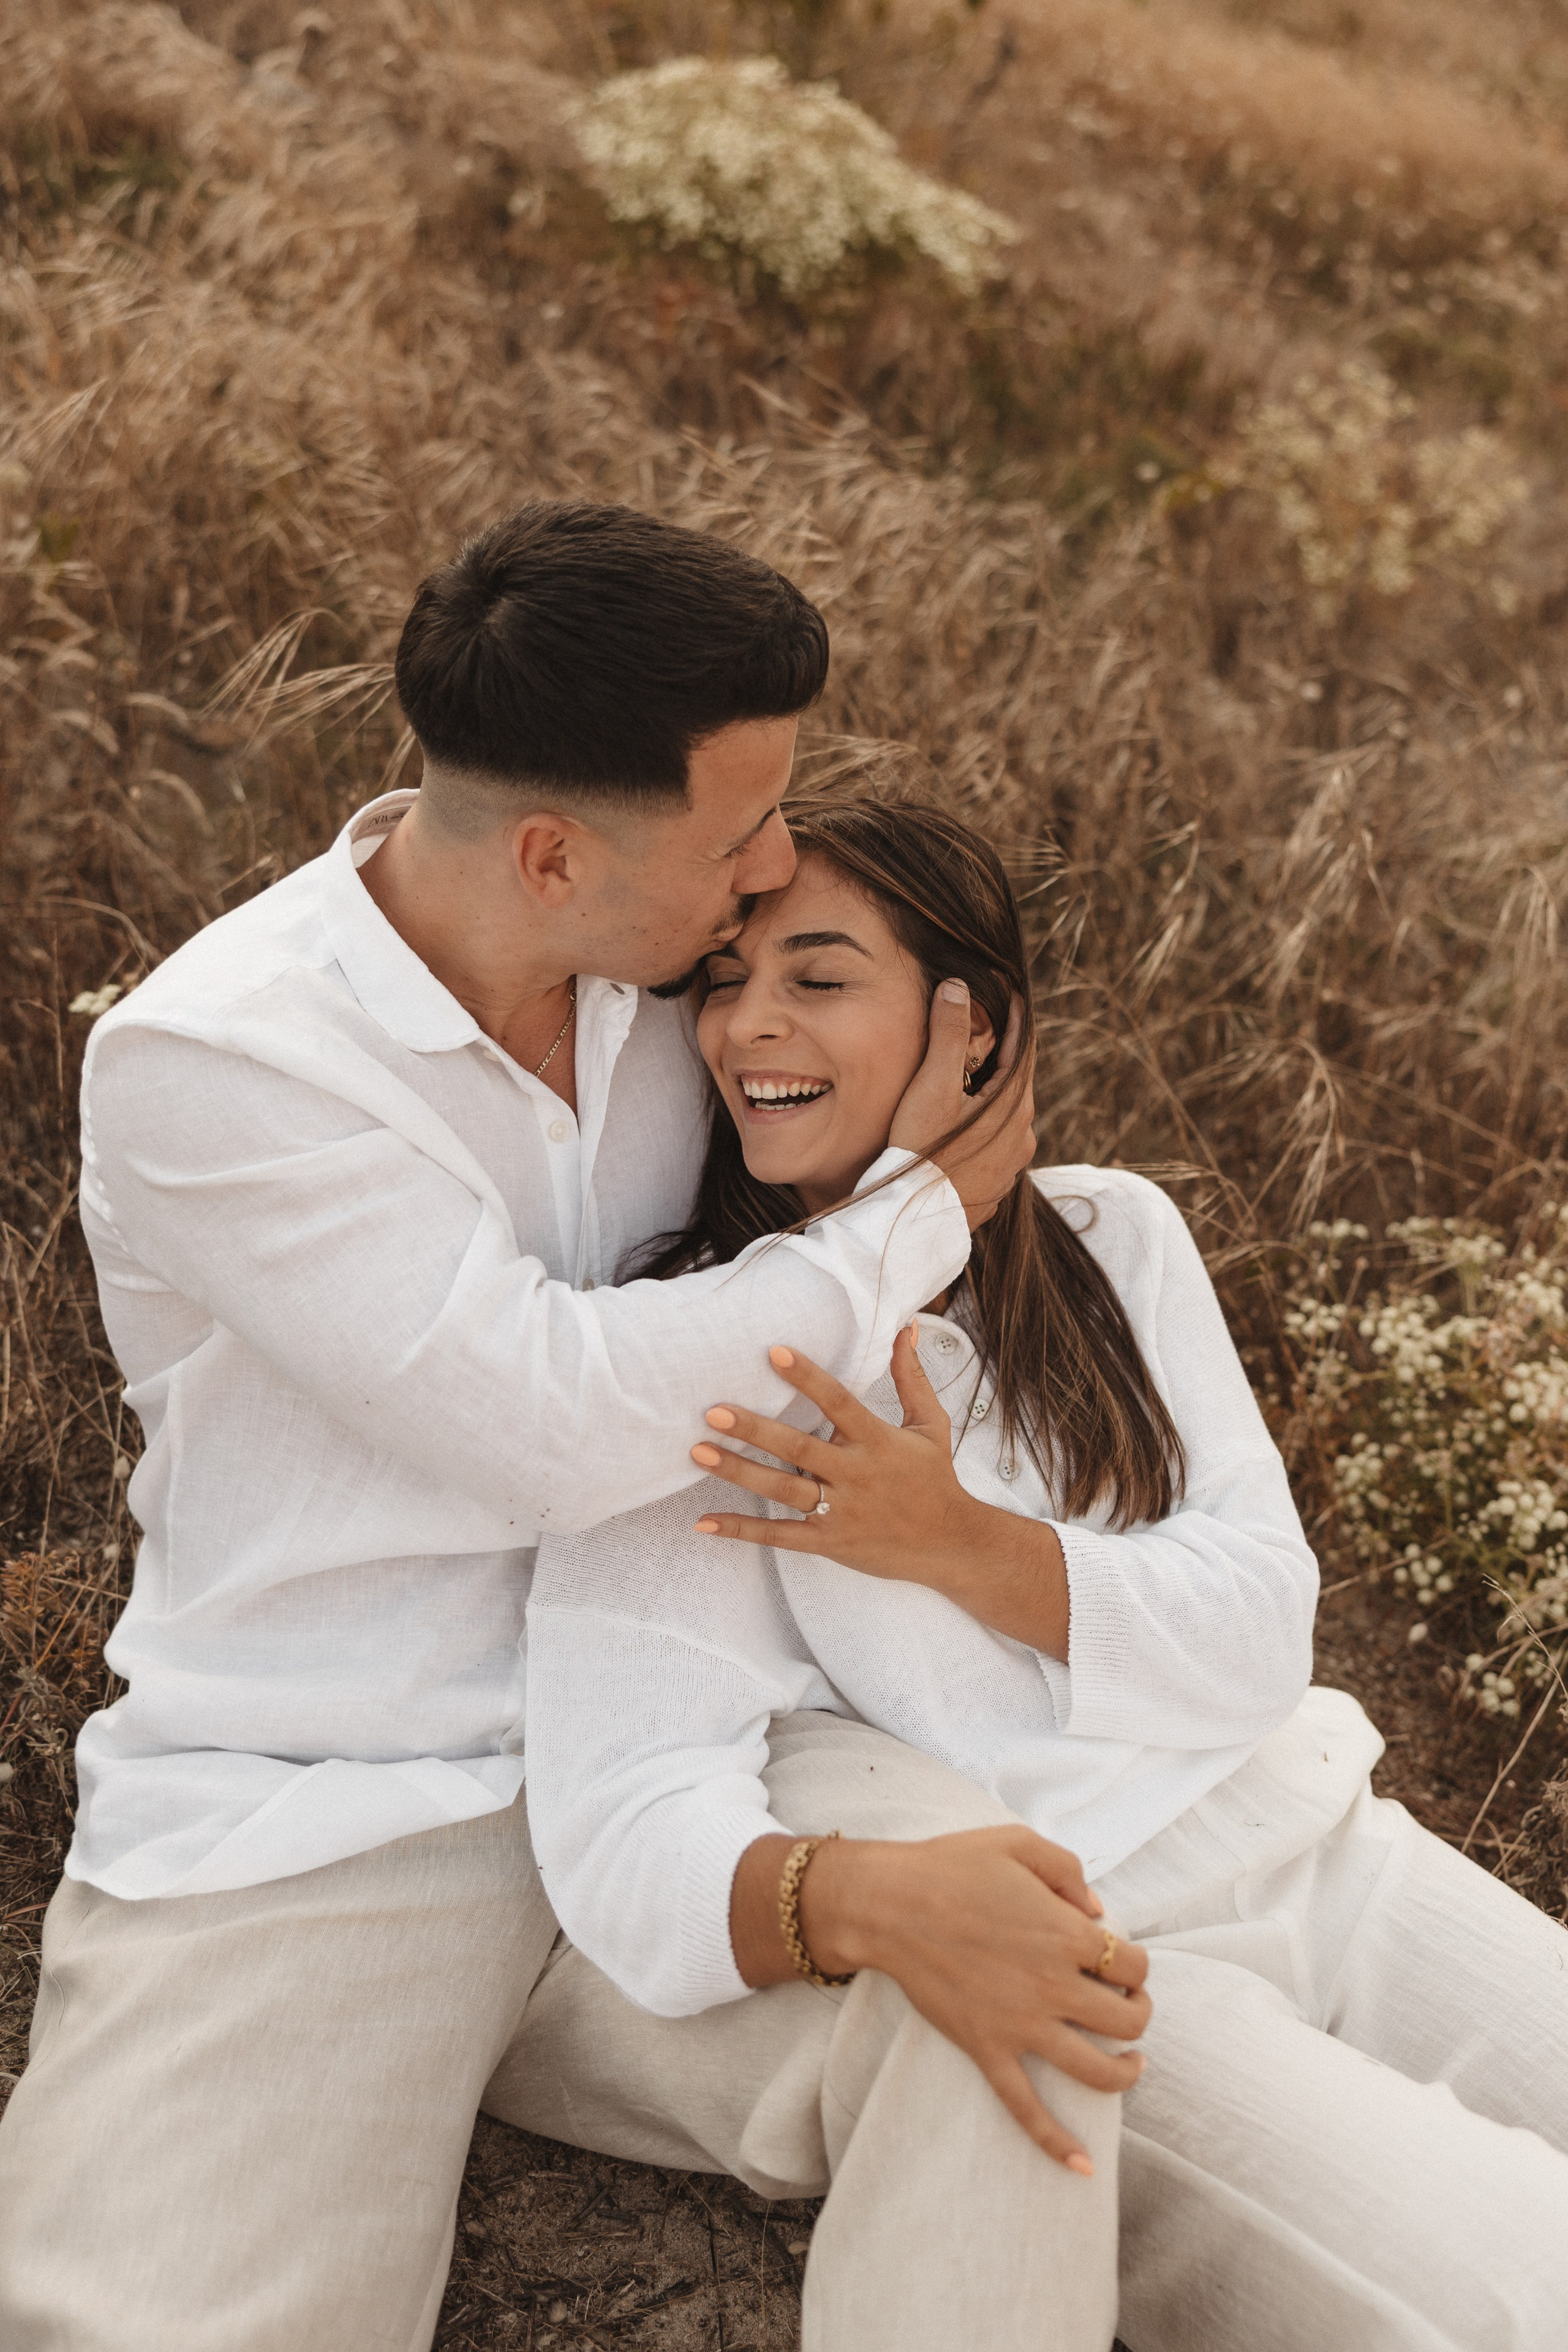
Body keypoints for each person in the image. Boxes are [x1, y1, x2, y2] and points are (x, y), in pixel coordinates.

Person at [0, 506, 1038, 2349]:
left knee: (1053, 2015)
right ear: (555, 856)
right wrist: (907, 1224)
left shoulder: (689, 992)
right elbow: (549, 1426)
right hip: (355, 1796)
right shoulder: (221, 1063)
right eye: (741, 836)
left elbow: (908, 1092)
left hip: (719, 1736)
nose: (782, 863)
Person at [518, 795, 1568, 2352]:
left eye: (816, 977)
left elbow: (1258, 1630)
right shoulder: (701, 1366)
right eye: (719, 981)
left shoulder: (1108, 1238)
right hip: (1111, 1958)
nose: (746, 1028)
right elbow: (623, 1818)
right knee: (1518, 2290)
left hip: (1334, 1852)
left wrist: (956, 1547)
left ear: (973, 1026)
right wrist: (858, 1905)